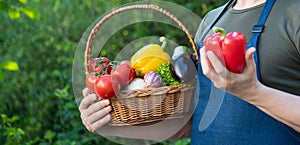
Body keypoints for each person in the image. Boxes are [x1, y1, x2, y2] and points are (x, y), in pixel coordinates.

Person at [79, 0, 300, 144]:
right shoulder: (211, 22)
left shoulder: (294, 13)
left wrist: (253, 93)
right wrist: (110, 123)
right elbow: (190, 124)